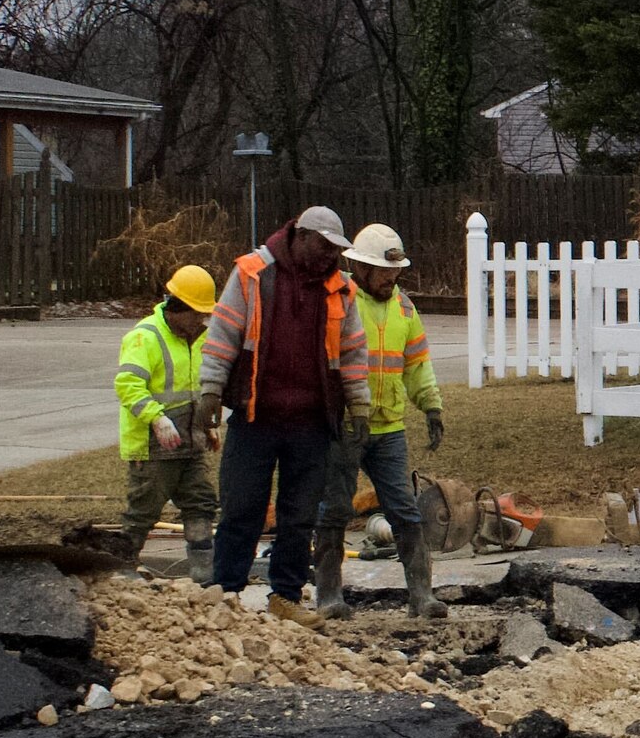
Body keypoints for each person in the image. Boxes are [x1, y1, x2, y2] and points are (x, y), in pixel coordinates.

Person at [196, 204, 363, 615]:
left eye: (335, 250)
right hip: (257, 417)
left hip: (310, 422)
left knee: (299, 515)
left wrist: (359, 404)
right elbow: (223, 334)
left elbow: (352, 351)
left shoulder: (340, 287)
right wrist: (210, 391)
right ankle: (227, 595)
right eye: (324, 247)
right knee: (241, 508)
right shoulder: (254, 273)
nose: (330, 257)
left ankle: (285, 597)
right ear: (301, 236)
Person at [337, 221, 448, 613]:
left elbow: (417, 362)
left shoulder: (404, 306)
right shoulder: (341, 300)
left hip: (388, 429)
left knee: (403, 510)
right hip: (344, 425)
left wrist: (431, 406)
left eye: (395, 273)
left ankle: (421, 595)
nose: (391, 279)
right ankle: (328, 595)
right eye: (384, 272)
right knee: (334, 509)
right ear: (361, 269)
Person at [108, 263, 219, 566]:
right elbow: (128, 384)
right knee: (143, 511)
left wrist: (208, 424)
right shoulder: (145, 337)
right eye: (198, 314)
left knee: (201, 504)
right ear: (177, 308)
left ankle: (204, 573)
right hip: (154, 446)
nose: (202, 321)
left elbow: (196, 387)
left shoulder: (195, 339)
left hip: (189, 443)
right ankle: (121, 567)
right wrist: (157, 418)